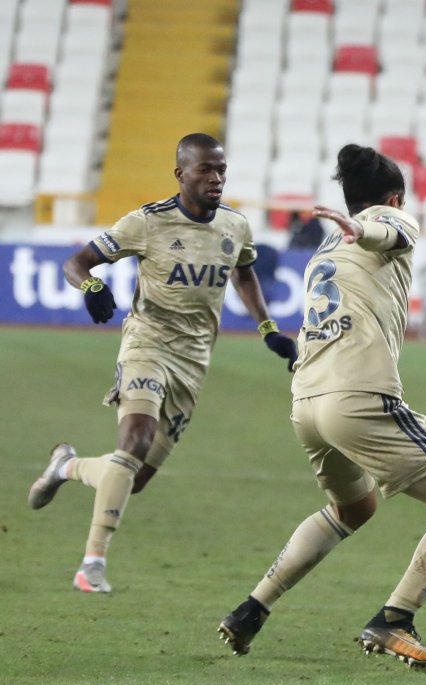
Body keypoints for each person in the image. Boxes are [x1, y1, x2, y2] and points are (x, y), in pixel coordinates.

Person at [217, 144, 426, 671]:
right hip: (359, 397)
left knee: (354, 508)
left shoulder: (326, 248)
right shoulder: (386, 220)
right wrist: (369, 227)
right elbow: (395, 233)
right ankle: (395, 619)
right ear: (394, 198)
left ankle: (251, 609)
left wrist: (353, 231)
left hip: (306, 401)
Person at [26, 133, 298, 593]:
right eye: (205, 170)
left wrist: (268, 328)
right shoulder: (147, 223)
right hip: (146, 345)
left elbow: (244, 271)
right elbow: (77, 263)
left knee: (132, 480)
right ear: (181, 174)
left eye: (221, 170)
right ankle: (92, 564)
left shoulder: (235, 226)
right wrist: (91, 287)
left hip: (194, 361)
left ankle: (65, 467)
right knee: (134, 439)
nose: (216, 178)